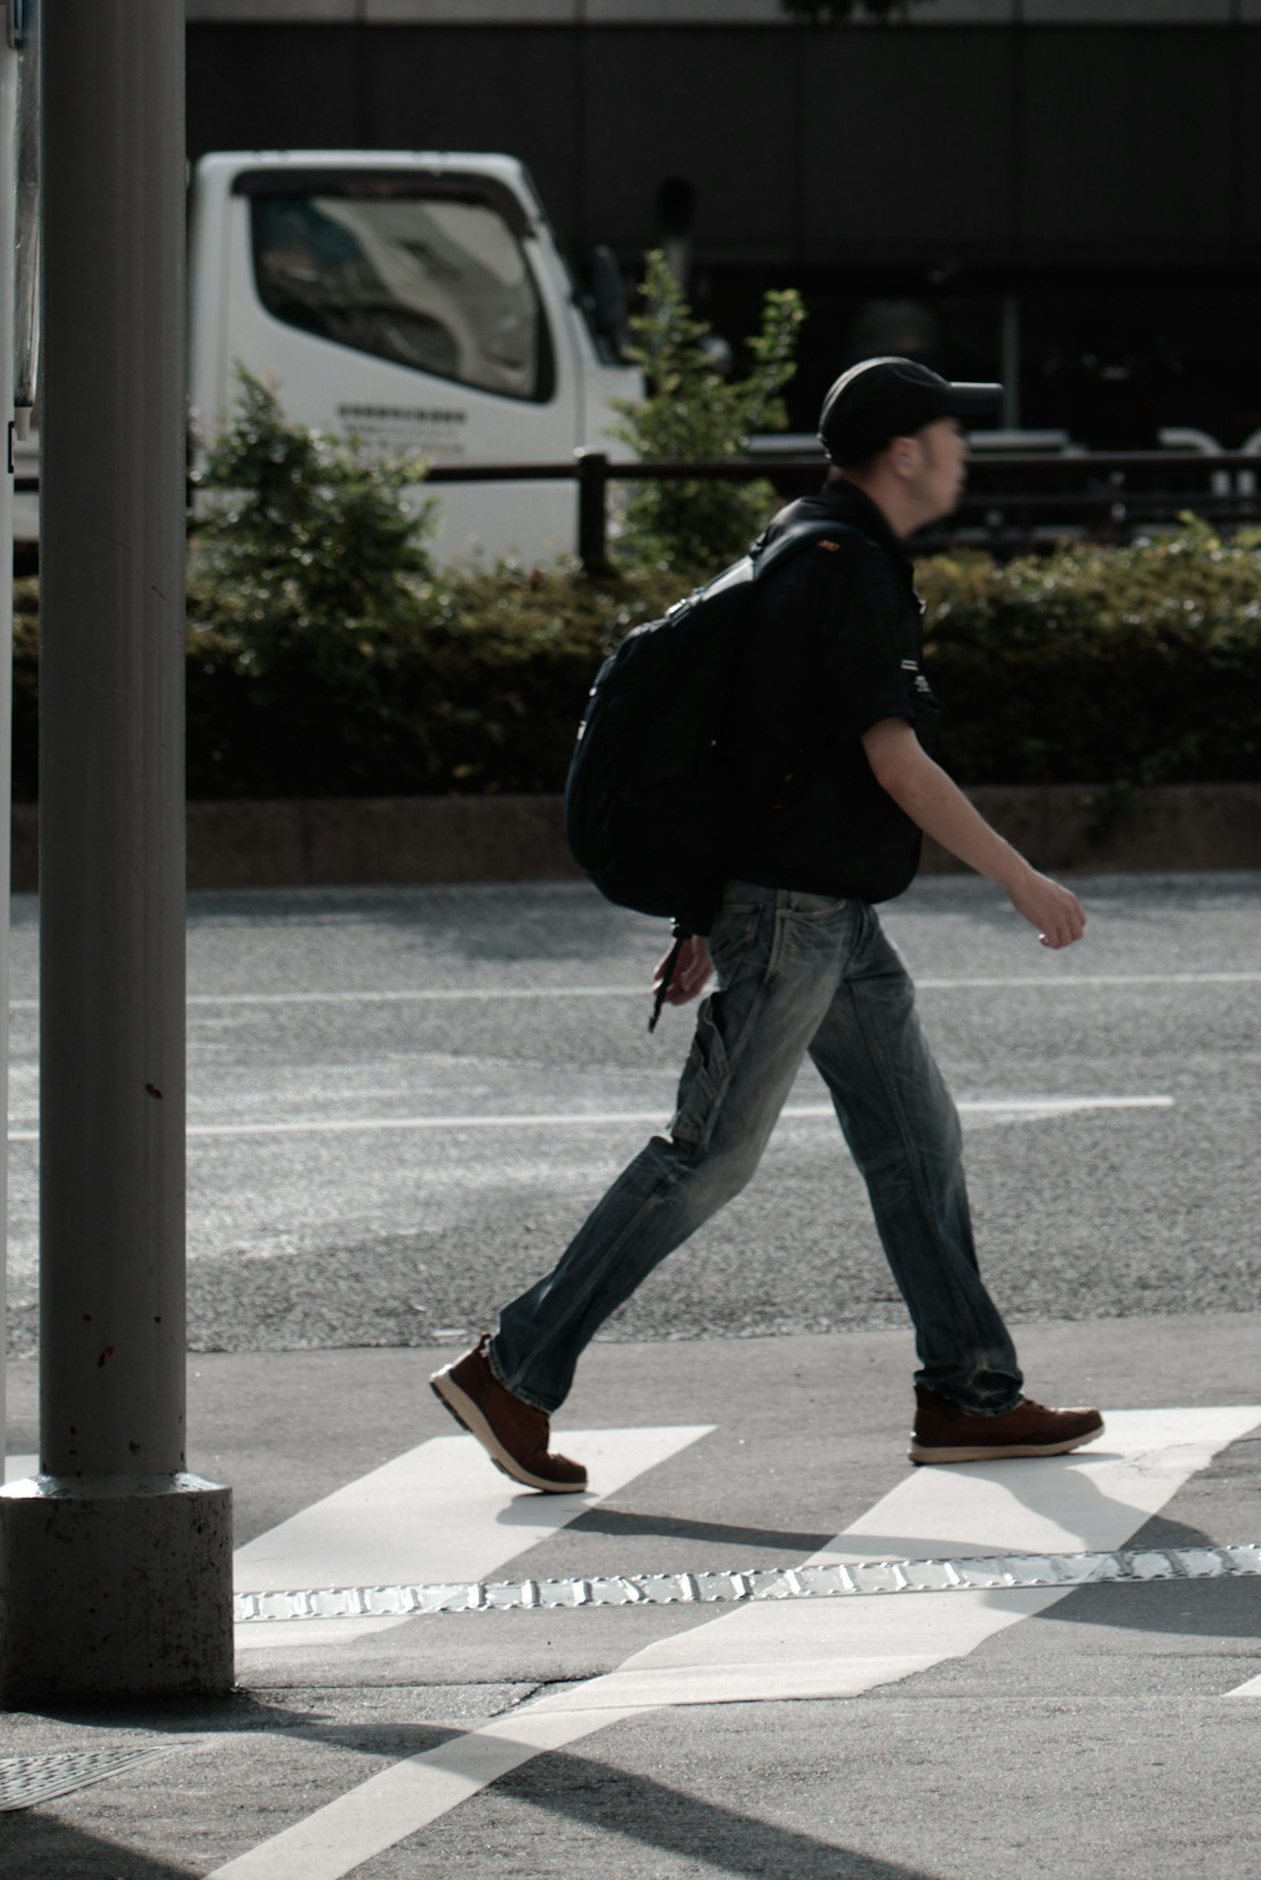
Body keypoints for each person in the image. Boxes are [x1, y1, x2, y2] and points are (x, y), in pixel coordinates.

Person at [430, 355, 1102, 1493]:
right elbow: (893, 759)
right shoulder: (842, 569)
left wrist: (704, 906)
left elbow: (750, 761)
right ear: (903, 453)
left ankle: (970, 1390)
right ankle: (513, 1367)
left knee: (915, 1139)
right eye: (951, 432)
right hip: (797, 913)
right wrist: (1020, 876)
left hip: (823, 912)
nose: (965, 452)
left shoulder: (804, 547)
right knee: (708, 1157)